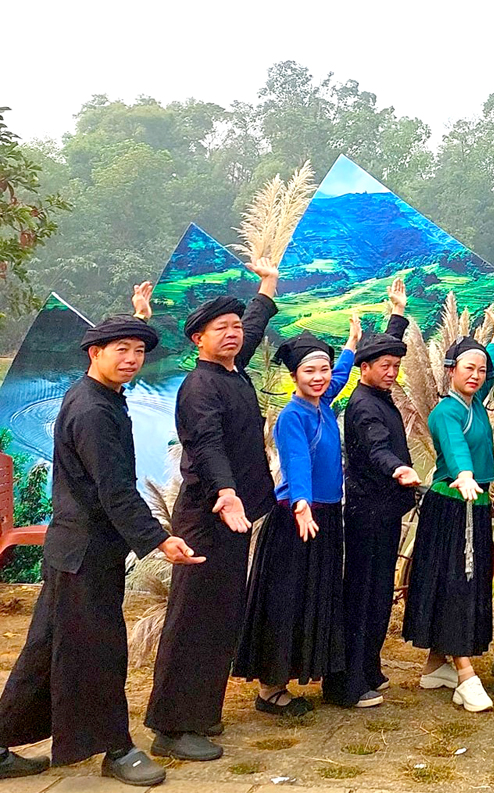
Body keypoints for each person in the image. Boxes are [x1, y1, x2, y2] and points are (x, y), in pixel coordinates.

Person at [0, 290, 204, 787]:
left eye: (139, 351)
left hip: (76, 549)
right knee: (100, 650)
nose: (132, 360)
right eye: (122, 351)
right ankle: (116, 748)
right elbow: (114, 489)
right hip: (85, 553)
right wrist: (159, 539)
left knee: (46, 648)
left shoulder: (98, 395)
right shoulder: (92, 411)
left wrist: (137, 320)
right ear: (95, 353)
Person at [146, 259, 280, 761]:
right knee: (194, 617)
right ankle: (172, 726)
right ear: (198, 339)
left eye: (235, 327)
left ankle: (200, 714)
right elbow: (206, 445)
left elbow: (258, 319)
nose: (232, 334)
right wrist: (226, 492)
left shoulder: (234, 369)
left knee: (221, 615)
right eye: (220, 329)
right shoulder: (199, 387)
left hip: (235, 517)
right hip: (208, 517)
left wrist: (267, 284)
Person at [233, 320, 360, 711]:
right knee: (287, 600)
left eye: (322, 370)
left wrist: (352, 344)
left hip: (323, 517)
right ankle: (270, 690)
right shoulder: (294, 416)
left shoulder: (322, 402)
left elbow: (339, 376)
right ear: (294, 377)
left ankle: (287, 678)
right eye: (310, 371)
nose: (320, 377)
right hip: (297, 520)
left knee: (311, 598)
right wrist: (303, 504)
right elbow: (296, 463)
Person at [402, 299, 494, 713]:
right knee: (456, 586)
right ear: (450, 370)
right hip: (452, 505)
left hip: (473, 503)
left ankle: (436, 666)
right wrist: (465, 474)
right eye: (468, 368)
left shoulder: (476, 401)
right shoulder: (446, 411)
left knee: (466, 582)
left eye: (480, 370)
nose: (477, 375)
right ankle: (464, 672)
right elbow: (453, 449)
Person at [323, 279, 421, 709]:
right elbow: (376, 445)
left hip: (384, 510)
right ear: (363, 367)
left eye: (395, 366)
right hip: (368, 511)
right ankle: (346, 683)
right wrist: (398, 467)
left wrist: (397, 315)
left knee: (379, 592)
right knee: (362, 594)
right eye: (384, 365)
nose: (392, 371)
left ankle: (370, 667)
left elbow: (387, 347)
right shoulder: (364, 405)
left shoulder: (378, 390)